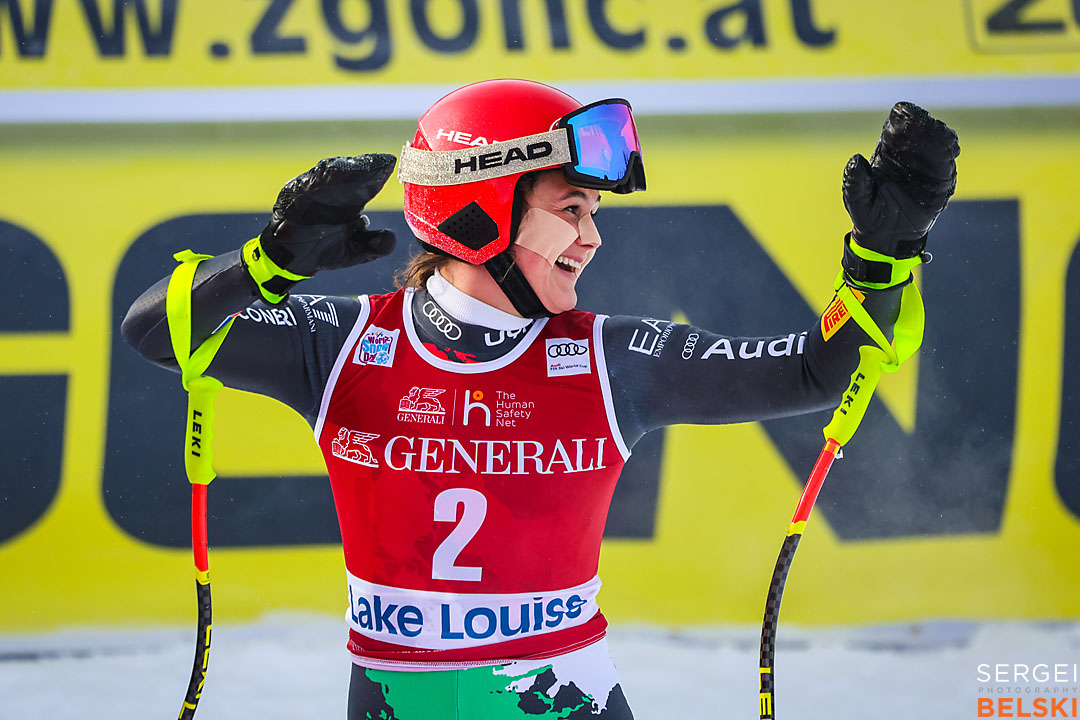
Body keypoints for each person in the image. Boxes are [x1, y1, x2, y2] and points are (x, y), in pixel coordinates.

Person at [122, 79, 959, 719]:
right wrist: (265, 262)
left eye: (593, 211)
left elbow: (816, 369)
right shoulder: (337, 344)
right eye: (571, 209)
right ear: (481, 206)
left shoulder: (611, 356)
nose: (592, 238)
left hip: (564, 697)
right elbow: (152, 331)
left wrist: (886, 254)